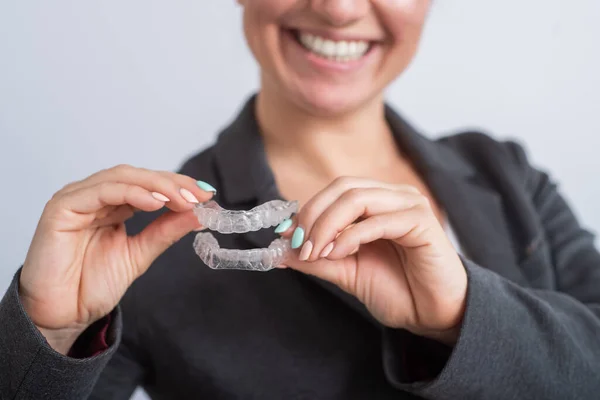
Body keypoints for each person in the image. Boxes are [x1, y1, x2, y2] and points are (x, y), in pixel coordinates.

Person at [1, 0, 599, 399]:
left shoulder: (509, 176)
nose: (338, 8)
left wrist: (461, 316)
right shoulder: (138, 244)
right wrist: (48, 337)